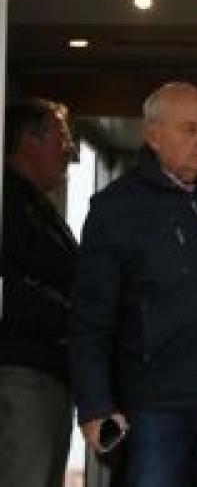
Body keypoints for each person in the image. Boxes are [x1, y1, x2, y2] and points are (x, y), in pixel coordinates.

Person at [68, 82, 197, 487]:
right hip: (155, 407)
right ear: (153, 135)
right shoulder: (116, 208)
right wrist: (95, 405)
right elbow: (90, 317)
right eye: (190, 129)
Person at [0, 98, 78, 487]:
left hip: (45, 376)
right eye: (61, 137)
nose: (71, 151)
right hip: (24, 378)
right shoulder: (8, 204)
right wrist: (73, 317)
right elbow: (8, 289)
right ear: (29, 143)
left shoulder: (36, 207)